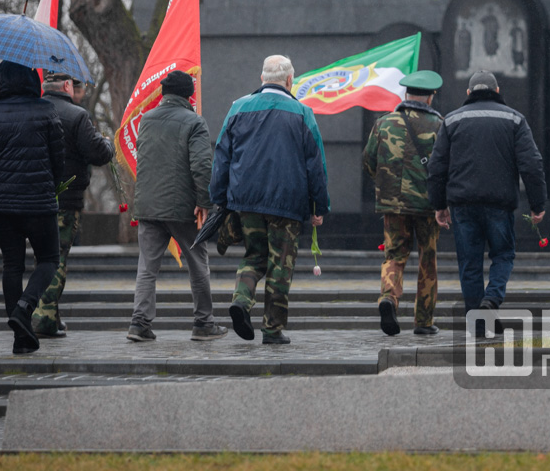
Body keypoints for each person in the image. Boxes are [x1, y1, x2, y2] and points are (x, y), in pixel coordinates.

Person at [210, 55, 330, 345]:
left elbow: (222, 156)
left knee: (254, 256)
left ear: (262, 79)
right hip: (287, 203)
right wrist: (319, 206)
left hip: (246, 201)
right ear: (290, 81)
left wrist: (219, 197)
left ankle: (241, 300)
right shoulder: (303, 113)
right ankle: (272, 330)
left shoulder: (238, 108)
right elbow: (316, 165)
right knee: (280, 264)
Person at [427, 70, 547, 330]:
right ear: (497, 91)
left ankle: (479, 325)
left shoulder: (452, 120)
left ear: (469, 93)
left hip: (463, 205)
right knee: (503, 255)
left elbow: (436, 167)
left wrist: (439, 205)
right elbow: (532, 164)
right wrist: (537, 204)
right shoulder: (514, 119)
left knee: (469, 263)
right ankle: (491, 299)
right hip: (499, 204)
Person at [128, 70, 226, 342]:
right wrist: (204, 202)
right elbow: (202, 165)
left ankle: (139, 323)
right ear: (189, 95)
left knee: (147, 268)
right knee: (198, 264)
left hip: (148, 206)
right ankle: (204, 323)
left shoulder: (146, 119)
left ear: (164, 93)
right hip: (184, 209)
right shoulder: (194, 122)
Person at [0, 60, 65, 354]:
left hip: (1, 204)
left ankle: (21, 337)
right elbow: (58, 159)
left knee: (12, 265)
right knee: (49, 259)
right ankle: (24, 307)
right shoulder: (46, 110)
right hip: (38, 202)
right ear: (32, 79)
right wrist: (53, 185)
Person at [32, 72, 115, 338]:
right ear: (67, 86)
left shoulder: (31, 112)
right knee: (57, 260)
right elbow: (98, 153)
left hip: (32, 198)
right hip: (65, 200)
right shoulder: (76, 115)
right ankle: (43, 319)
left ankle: (51, 317)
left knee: (43, 258)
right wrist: (107, 143)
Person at [363, 69, 445, 337]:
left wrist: (387, 186)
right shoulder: (440, 126)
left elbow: (368, 162)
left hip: (393, 205)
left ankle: (388, 298)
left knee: (394, 255)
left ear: (406, 95)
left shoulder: (384, 123)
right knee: (427, 260)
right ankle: (423, 321)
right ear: (430, 98)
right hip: (428, 207)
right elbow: (447, 167)